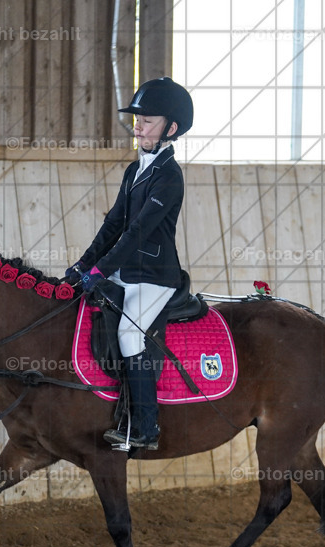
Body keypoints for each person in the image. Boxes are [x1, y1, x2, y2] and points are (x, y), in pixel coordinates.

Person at [65, 76, 193, 451]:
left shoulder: (169, 176)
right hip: (125, 272)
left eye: (147, 121)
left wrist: (99, 272)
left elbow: (137, 233)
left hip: (155, 276)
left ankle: (145, 427)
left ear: (170, 128)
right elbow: (113, 225)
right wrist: (83, 264)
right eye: (136, 119)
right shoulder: (133, 171)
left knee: (129, 334)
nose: (137, 127)